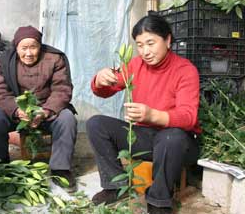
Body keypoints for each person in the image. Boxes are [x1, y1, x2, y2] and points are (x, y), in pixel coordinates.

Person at [86, 14, 201, 214]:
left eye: (150, 43)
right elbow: (106, 90)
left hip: (179, 142)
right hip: (145, 137)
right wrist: (100, 80)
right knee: (96, 124)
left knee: (170, 138)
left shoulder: (185, 70)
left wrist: (152, 115)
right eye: (140, 45)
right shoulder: (135, 65)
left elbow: (188, 117)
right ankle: (115, 186)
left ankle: (158, 199)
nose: (145, 51)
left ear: (167, 40)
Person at [0, 25, 78, 191]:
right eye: (24, 48)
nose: (28, 53)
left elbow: (62, 90)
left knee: (67, 118)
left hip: (46, 111)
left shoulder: (54, 59)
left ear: (40, 46)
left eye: (33, 47)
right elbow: (1, 93)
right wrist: (16, 110)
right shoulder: (7, 61)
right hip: (19, 113)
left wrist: (45, 112)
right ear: (16, 47)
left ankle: (61, 170)